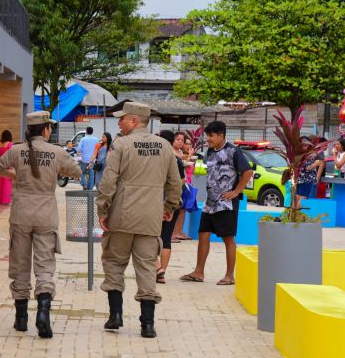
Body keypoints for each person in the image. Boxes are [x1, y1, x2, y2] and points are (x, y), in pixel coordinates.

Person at [0, 112, 81, 338]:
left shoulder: (16, 150)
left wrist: (17, 177)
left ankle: (21, 319)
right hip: (46, 215)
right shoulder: (56, 152)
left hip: (21, 212)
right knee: (44, 266)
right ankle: (43, 313)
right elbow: (77, 172)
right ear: (46, 130)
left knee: (20, 265)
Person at [96, 102, 182, 338]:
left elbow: (107, 182)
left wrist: (102, 210)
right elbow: (175, 184)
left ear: (134, 121)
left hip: (121, 217)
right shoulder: (165, 147)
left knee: (114, 263)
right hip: (151, 218)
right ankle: (147, 324)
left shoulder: (121, 144)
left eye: (122, 119)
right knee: (146, 267)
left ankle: (115, 316)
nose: (119, 123)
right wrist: (169, 207)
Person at [180, 121, 253, 286]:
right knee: (203, 234)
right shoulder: (210, 152)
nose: (208, 139)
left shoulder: (234, 152)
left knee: (228, 238)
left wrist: (236, 192)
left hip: (226, 203)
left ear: (221, 135)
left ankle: (229, 275)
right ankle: (198, 272)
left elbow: (248, 172)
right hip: (210, 203)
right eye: (207, 135)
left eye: (211, 135)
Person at [156, 130, 186, 284]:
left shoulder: (157, 158)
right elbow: (182, 180)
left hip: (156, 203)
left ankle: (157, 268)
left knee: (150, 236)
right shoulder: (177, 160)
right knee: (166, 238)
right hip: (173, 202)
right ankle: (162, 272)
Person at [295, 136, 326, 208]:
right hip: (306, 180)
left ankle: (295, 214)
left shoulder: (298, 153)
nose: (305, 146)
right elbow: (308, 168)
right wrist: (316, 164)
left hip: (300, 179)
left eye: (306, 145)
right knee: (303, 198)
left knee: (298, 197)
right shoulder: (306, 154)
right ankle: (297, 215)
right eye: (304, 145)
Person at [0, 130, 14, 205]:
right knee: (7, 184)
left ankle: (0, 200)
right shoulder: (9, 144)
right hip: (7, 165)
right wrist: (11, 165)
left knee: (0, 184)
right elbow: (12, 155)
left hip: (0, 165)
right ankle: (6, 201)